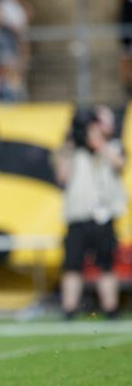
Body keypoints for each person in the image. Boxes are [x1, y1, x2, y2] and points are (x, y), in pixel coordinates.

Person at [54, 106, 125, 320]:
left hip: (103, 216)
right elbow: (62, 177)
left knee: (106, 264)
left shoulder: (113, 146)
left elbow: (119, 165)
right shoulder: (71, 150)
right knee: (72, 264)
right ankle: (69, 309)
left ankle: (110, 308)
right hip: (78, 215)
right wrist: (70, 144)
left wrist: (99, 142)